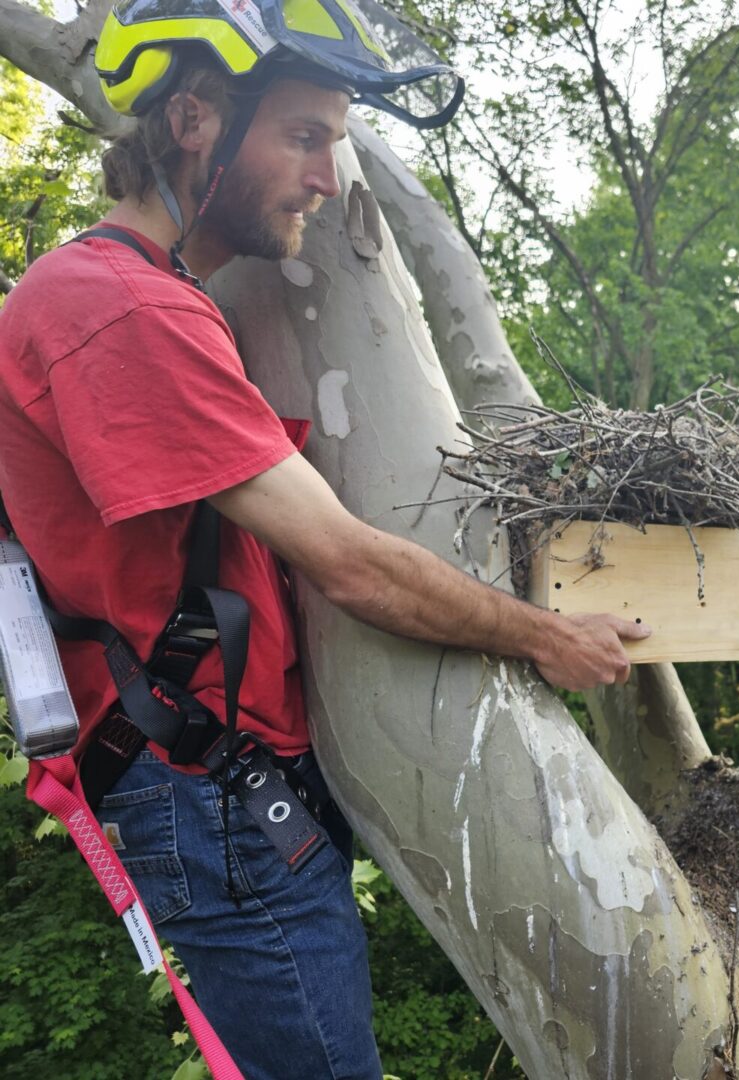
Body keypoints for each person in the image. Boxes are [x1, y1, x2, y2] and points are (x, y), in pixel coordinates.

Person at [0, 1, 647, 1075]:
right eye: (305, 136)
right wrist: (543, 634)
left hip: (226, 786)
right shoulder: (117, 308)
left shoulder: (154, 296)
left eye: (336, 143)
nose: (328, 177)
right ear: (197, 120)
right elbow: (346, 563)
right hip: (212, 793)